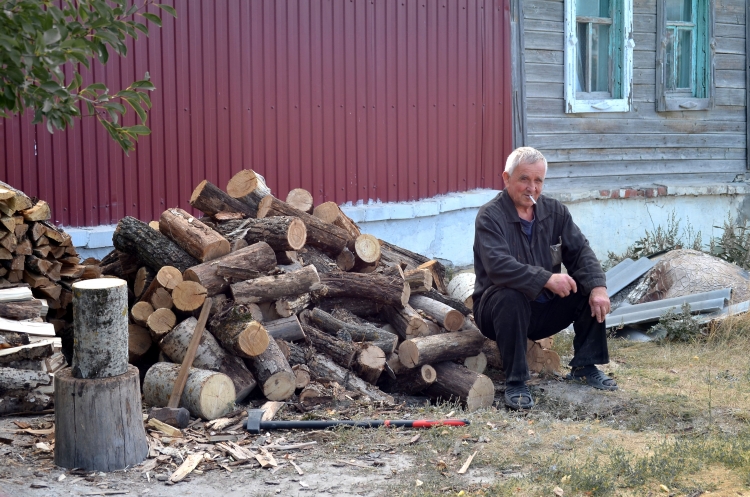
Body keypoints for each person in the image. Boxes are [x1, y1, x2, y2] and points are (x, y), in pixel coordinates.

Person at [473, 147, 616, 410]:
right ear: (506, 178)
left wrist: (598, 287)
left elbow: (581, 252)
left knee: (586, 288)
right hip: (497, 312)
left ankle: (585, 365)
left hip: (542, 308)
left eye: (538, 180)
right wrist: (547, 278)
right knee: (510, 294)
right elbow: (498, 266)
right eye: (524, 179)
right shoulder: (490, 216)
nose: (532, 188)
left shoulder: (555, 212)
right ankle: (516, 381)